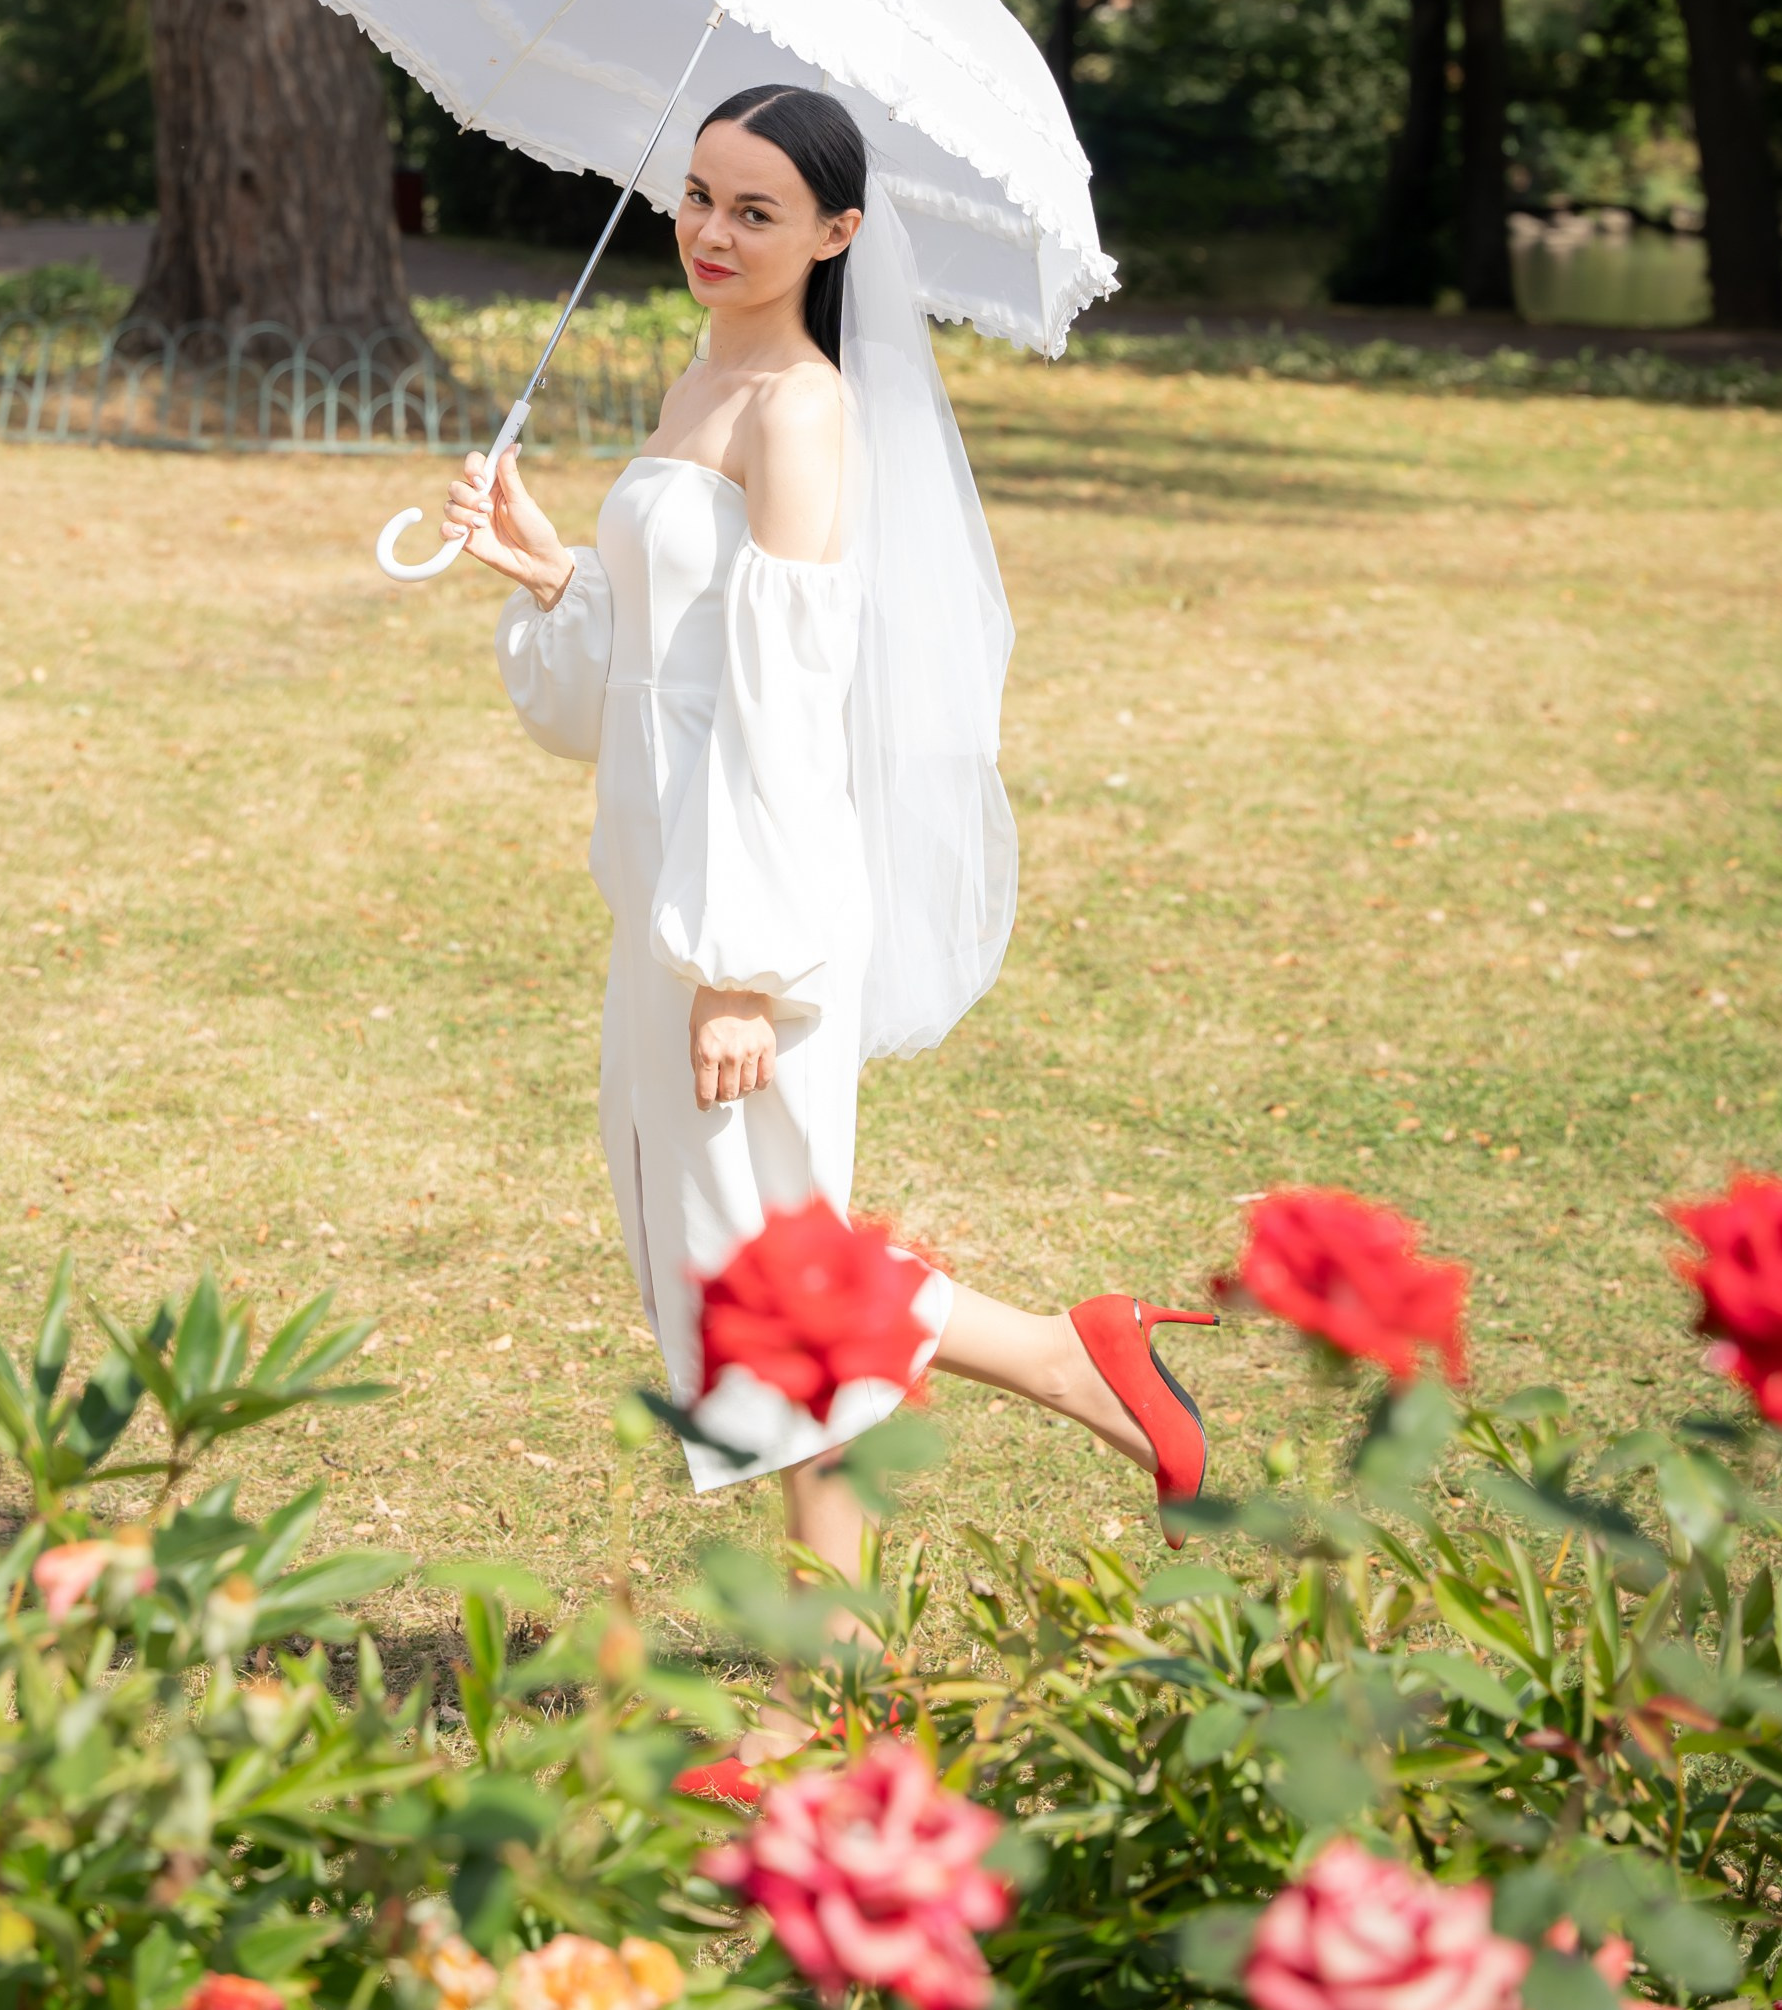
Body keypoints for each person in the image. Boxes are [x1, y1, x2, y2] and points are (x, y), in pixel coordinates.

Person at [443, 83, 1211, 1641]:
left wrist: (738, 964)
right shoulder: (698, 376)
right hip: (666, 899)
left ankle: (846, 1659)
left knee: (769, 1291)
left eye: (757, 211)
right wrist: (548, 571)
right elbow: (655, 675)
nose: (710, 233)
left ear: (837, 232)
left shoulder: (799, 408)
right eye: (698, 196)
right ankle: (1057, 1368)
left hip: (752, 909)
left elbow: (787, 708)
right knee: (752, 1274)